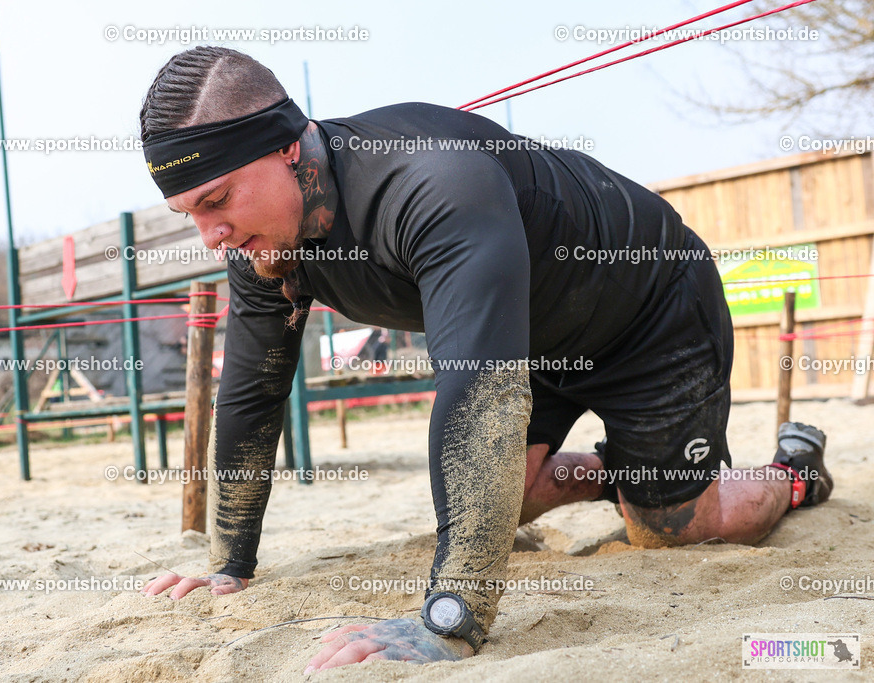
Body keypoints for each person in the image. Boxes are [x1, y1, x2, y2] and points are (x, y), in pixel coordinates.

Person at [137, 47, 833, 673]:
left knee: (676, 529)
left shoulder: (430, 183)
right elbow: (252, 394)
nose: (210, 234)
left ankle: (792, 471)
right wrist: (230, 565)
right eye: (189, 213)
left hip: (649, 313)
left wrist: (453, 617)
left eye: (218, 200)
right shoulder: (262, 247)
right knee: (511, 495)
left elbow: (480, 394)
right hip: (534, 337)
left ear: (289, 147)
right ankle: (632, 471)